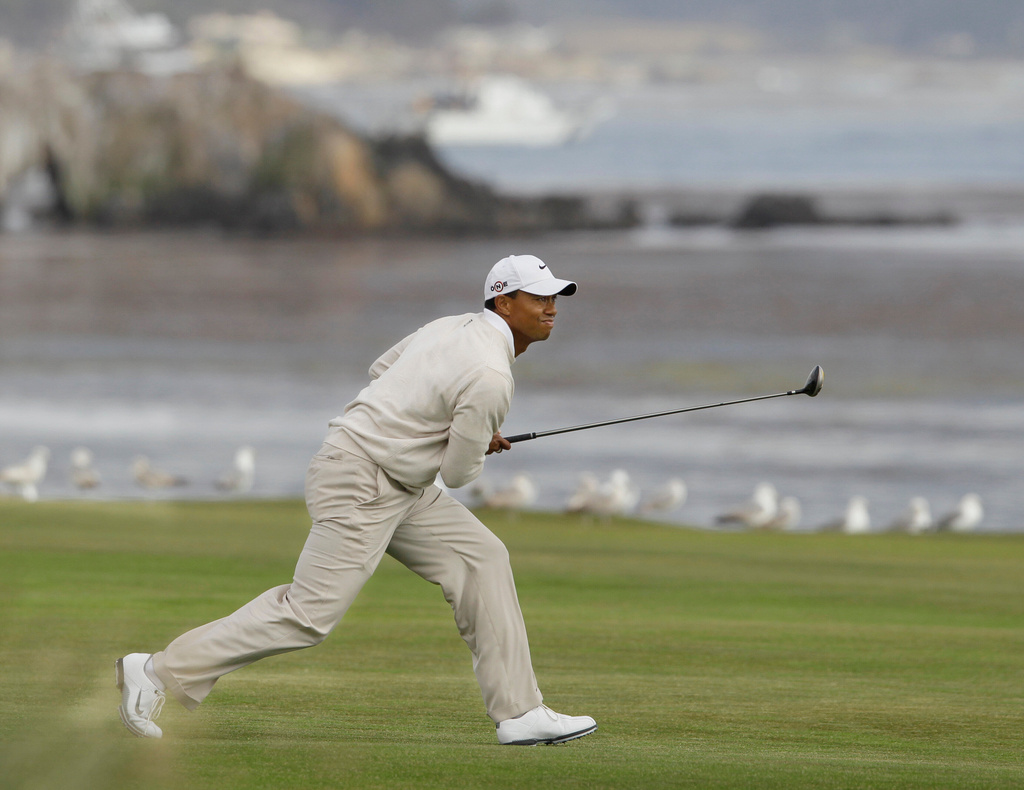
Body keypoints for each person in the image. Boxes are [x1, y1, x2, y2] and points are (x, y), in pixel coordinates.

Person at [116, 254, 597, 746]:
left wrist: (458, 429)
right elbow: (457, 473)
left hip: (394, 480)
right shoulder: (492, 375)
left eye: (554, 297)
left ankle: (519, 712)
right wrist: (470, 439)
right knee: (308, 615)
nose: (551, 307)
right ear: (504, 301)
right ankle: (154, 671)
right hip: (361, 481)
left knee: (482, 559)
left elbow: (383, 368)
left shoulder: (449, 326)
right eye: (539, 297)